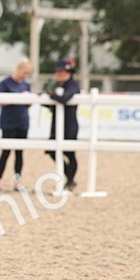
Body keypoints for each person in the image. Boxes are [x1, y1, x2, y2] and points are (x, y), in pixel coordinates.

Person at [0, 59, 33, 191]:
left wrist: (27, 100)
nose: (26, 75)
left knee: (19, 153)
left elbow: (29, 104)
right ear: (18, 69)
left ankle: (17, 182)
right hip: (9, 122)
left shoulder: (26, 85)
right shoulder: (6, 83)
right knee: (5, 152)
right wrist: (16, 98)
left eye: (28, 73)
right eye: (25, 72)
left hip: (22, 122)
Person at [44, 57, 80, 192]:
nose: (59, 75)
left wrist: (51, 95)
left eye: (61, 72)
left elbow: (64, 99)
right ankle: (70, 179)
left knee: (70, 154)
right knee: (53, 151)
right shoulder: (58, 86)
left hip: (69, 125)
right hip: (57, 124)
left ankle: (70, 180)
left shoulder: (72, 86)